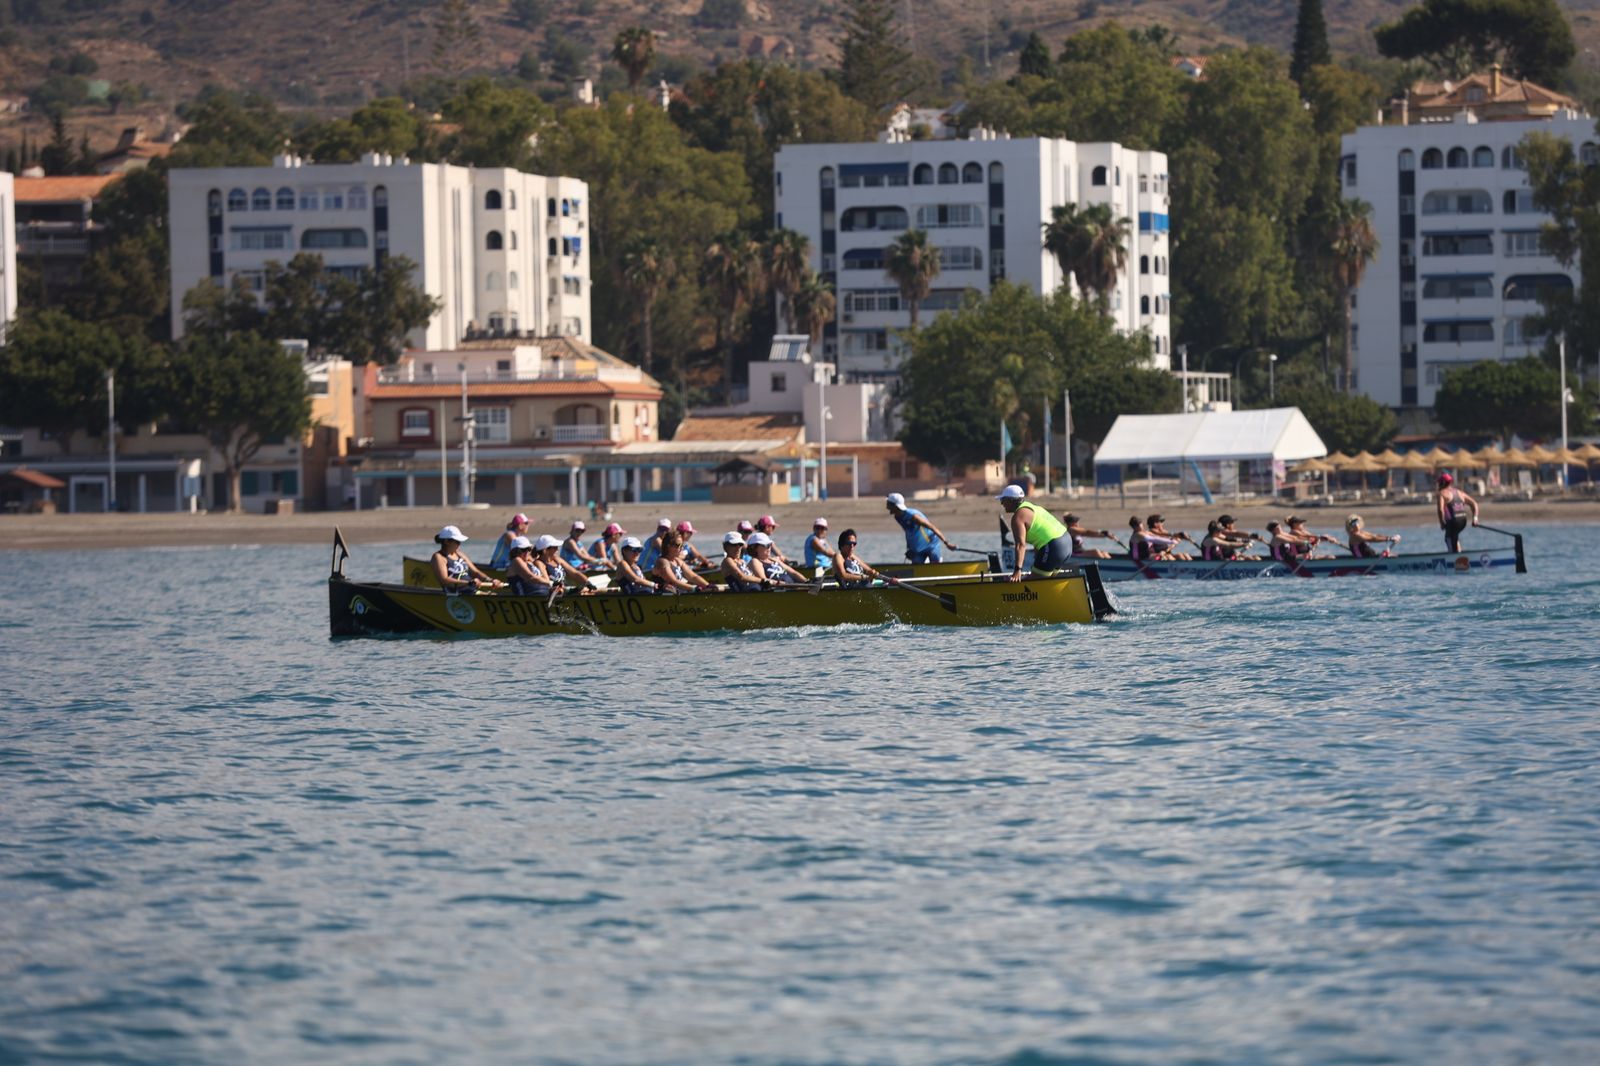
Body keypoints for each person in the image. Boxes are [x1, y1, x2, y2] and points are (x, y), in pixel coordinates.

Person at [998, 485, 1074, 581]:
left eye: (1003, 500)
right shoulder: (1032, 507)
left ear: (1011, 500)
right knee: (1047, 581)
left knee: (1033, 582)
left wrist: (1017, 570)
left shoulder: (1018, 517)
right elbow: (1041, 533)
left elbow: (1020, 545)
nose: (1002, 504)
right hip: (1067, 542)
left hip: (1054, 546)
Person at [430, 525, 504, 593]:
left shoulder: (460, 554)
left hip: (470, 591)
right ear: (447, 542)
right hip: (455, 594)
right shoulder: (439, 557)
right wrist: (468, 582)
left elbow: (475, 572)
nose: (459, 544)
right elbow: (444, 580)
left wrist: (491, 580)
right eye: (457, 541)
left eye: (460, 542)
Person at [885, 491, 955, 564]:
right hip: (918, 549)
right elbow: (909, 533)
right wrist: (909, 548)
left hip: (931, 544)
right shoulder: (898, 517)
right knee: (916, 565)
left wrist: (947, 543)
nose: (886, 505)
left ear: (894, 505)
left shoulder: (913, 516)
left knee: (935, 564)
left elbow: (932, 527)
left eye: (888, 503)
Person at [1435, 472, 1479, 552]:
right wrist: (1475, 518)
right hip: (1463, 521)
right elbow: (1474, 504)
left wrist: (1442, 523)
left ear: (1443, 483)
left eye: (1439, 482)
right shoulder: (1459, 492)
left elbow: (1440, 510)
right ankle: (1459, 554)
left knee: (1448, 538)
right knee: (1454, 537)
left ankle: (1454, 559)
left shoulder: (1442, 494)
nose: (1438, 485)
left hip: (1453, 521)